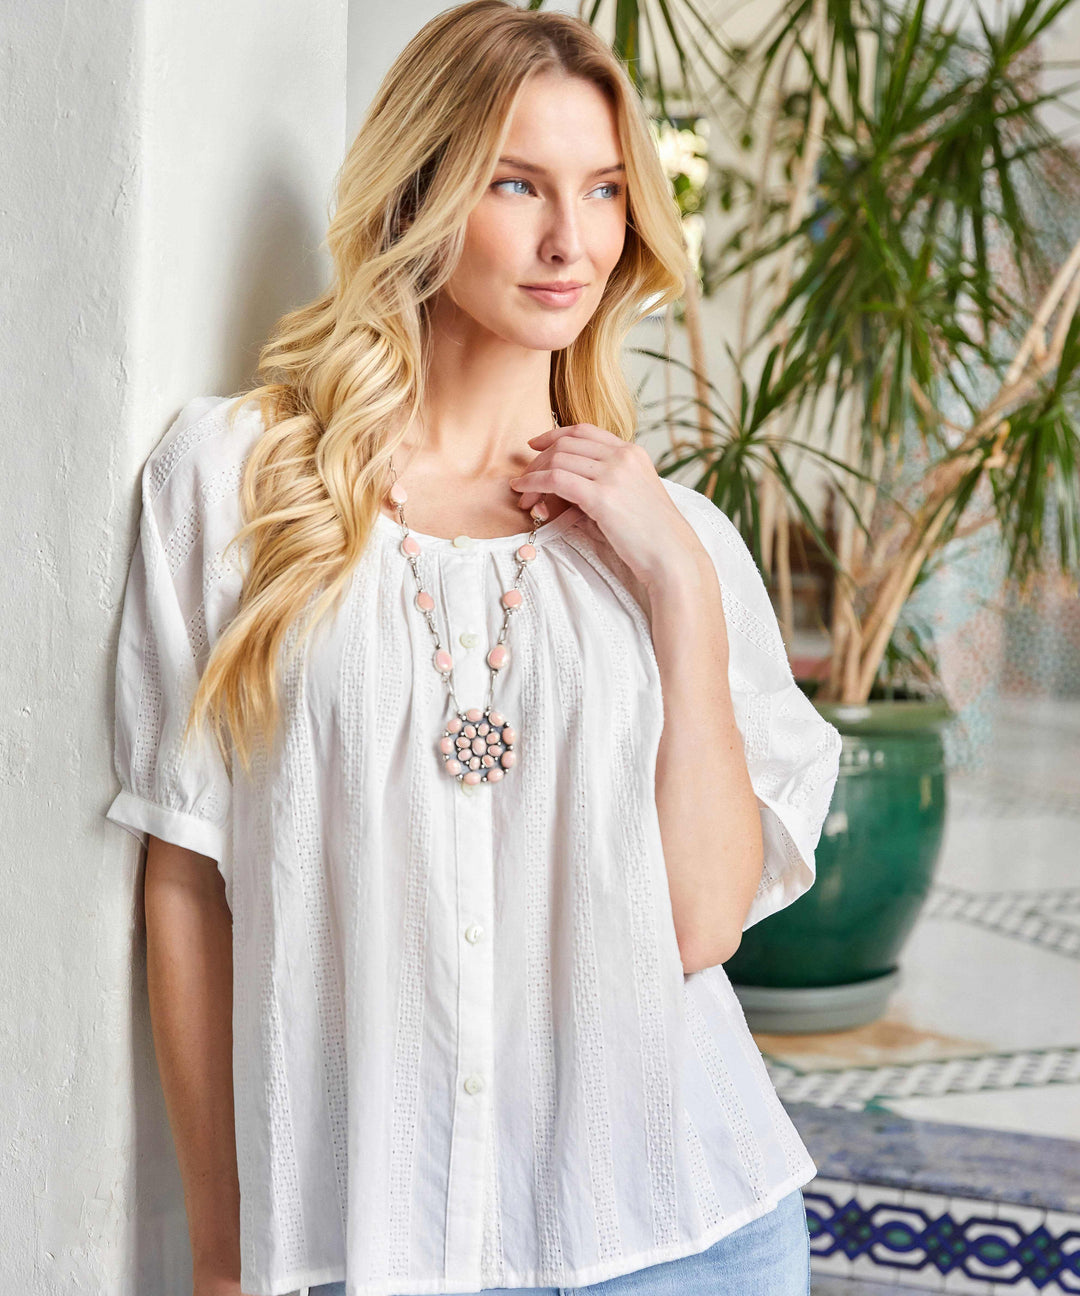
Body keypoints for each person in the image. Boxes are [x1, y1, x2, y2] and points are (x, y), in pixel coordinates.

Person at [104, 2, 842, 1294]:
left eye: (609, 190)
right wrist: (224, 1255)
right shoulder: (235, 486)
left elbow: (702, 924)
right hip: (364, 1243)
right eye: (519, 183)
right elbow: (185, 882)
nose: (576, 240)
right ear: (417, 196)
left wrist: (674, 582)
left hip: (682, 1234)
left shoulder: (683, 543)